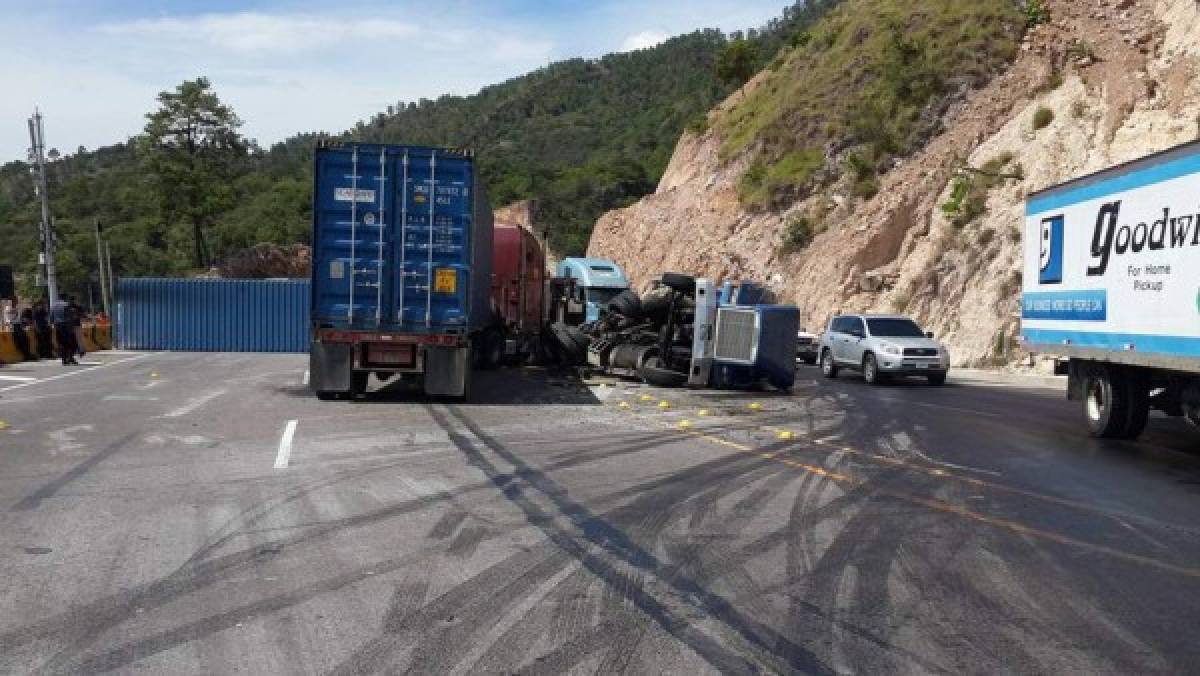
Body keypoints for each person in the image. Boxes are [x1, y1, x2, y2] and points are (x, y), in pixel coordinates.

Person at [50, 294, 78, 365]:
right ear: (65, 298)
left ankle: (64, 360)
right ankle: (70, 357)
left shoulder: (53, 306)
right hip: (66, 326)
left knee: (61, 343)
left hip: (57, 326)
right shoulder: (66, 305)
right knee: (72, 343)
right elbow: (70, 316)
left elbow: (51, 318)